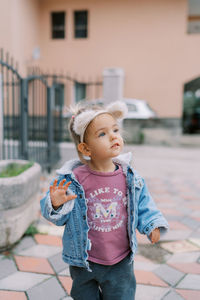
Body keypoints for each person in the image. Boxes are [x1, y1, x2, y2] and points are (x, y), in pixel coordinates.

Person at [40, 101, 169, 300]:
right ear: (86, 148)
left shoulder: (129, 176)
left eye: (115, 129)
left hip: (120, 260)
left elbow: (143, 203)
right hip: (84, 261)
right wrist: (56, 204)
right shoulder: (73, 179)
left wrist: (151, 225)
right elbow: (56, 217)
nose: (113, 136)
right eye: (102, 134)